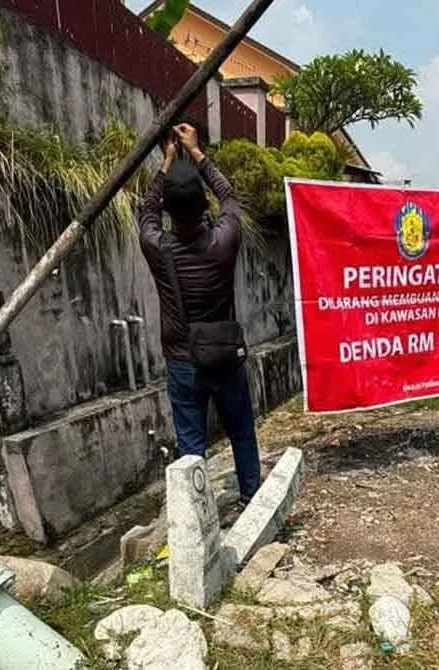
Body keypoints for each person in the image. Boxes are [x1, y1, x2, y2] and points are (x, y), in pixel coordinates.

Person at [137, 123, 261, 506]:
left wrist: (168, 161)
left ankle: (197, 516)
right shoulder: (223, 240)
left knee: (191, 447)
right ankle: (250, 497)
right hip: (224, 356)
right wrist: (197, 153)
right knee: (241, 430)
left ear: (169, 211)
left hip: (182, 361)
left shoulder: (158, 247)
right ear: (203, 207)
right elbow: (231, 198)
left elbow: (145, 212)